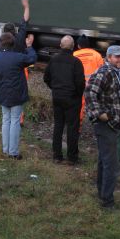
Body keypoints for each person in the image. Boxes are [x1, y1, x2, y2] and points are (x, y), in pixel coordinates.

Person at [84, 45, 120, 209]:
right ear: (108, 57)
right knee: (111, 163)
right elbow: (89, 93)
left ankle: (102, 193)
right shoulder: (104, 72)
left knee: (104, 160)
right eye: (117, 57)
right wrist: (99, 114)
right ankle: (107, 202)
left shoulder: (114, 72)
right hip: (105, 125)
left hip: (110, 124)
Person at [0, 32, 37, 159]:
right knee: (15, 120)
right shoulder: (18, 57)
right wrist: (29, 46)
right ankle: (13, 152)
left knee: (6, 120)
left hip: (3, 92)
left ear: (0, 43)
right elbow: (32, 58)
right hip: (17, 93)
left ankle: (5, 149)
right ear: (13, 43)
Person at [43, 35, 85, 164]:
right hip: (72, 99)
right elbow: (80, 83)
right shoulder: (76, 62)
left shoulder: (53, 60)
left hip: (57, 97)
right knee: (72, 128)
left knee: (58, 126)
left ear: (60, 46)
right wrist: (77, 95)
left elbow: (46, 78)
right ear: (73, 47)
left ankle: (57, 155)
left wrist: (55, 89)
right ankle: (72, 157)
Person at [73, 35, 104, 129]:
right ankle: (99, 128)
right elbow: (102, 72)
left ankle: (77, 128)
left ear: (78, 45)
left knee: (78, 107)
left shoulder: (74, 55)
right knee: (96, 106)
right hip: (93, 87)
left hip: (78, 86)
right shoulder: (97, 55)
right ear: (88, 45)